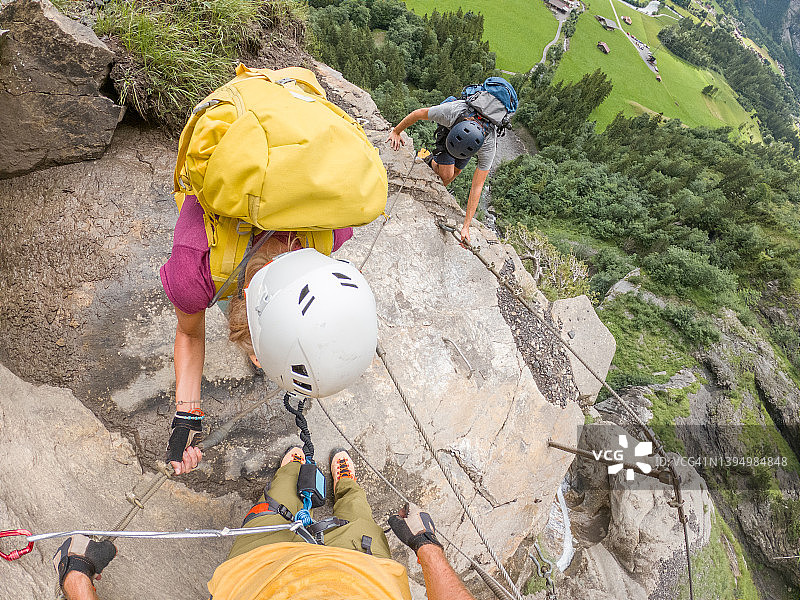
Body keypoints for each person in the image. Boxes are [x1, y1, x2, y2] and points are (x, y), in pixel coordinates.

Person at [52, 449, 479, 600]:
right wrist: (424, 544)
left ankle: (291, 473)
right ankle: (345, 482)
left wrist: (75, 575)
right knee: (357, 516)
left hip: (261, 569)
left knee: (272, 510)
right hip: (366, 572)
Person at [387, 101, 497, 244]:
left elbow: (478, 186)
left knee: (455, 172)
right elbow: (418, 113)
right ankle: (429, 160)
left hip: (468, 144)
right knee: (446, 174)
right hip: (449, 133)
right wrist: (396, 131)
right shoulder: (450, 112)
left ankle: (437, 186)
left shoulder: (488, 144)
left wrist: (466, 226)